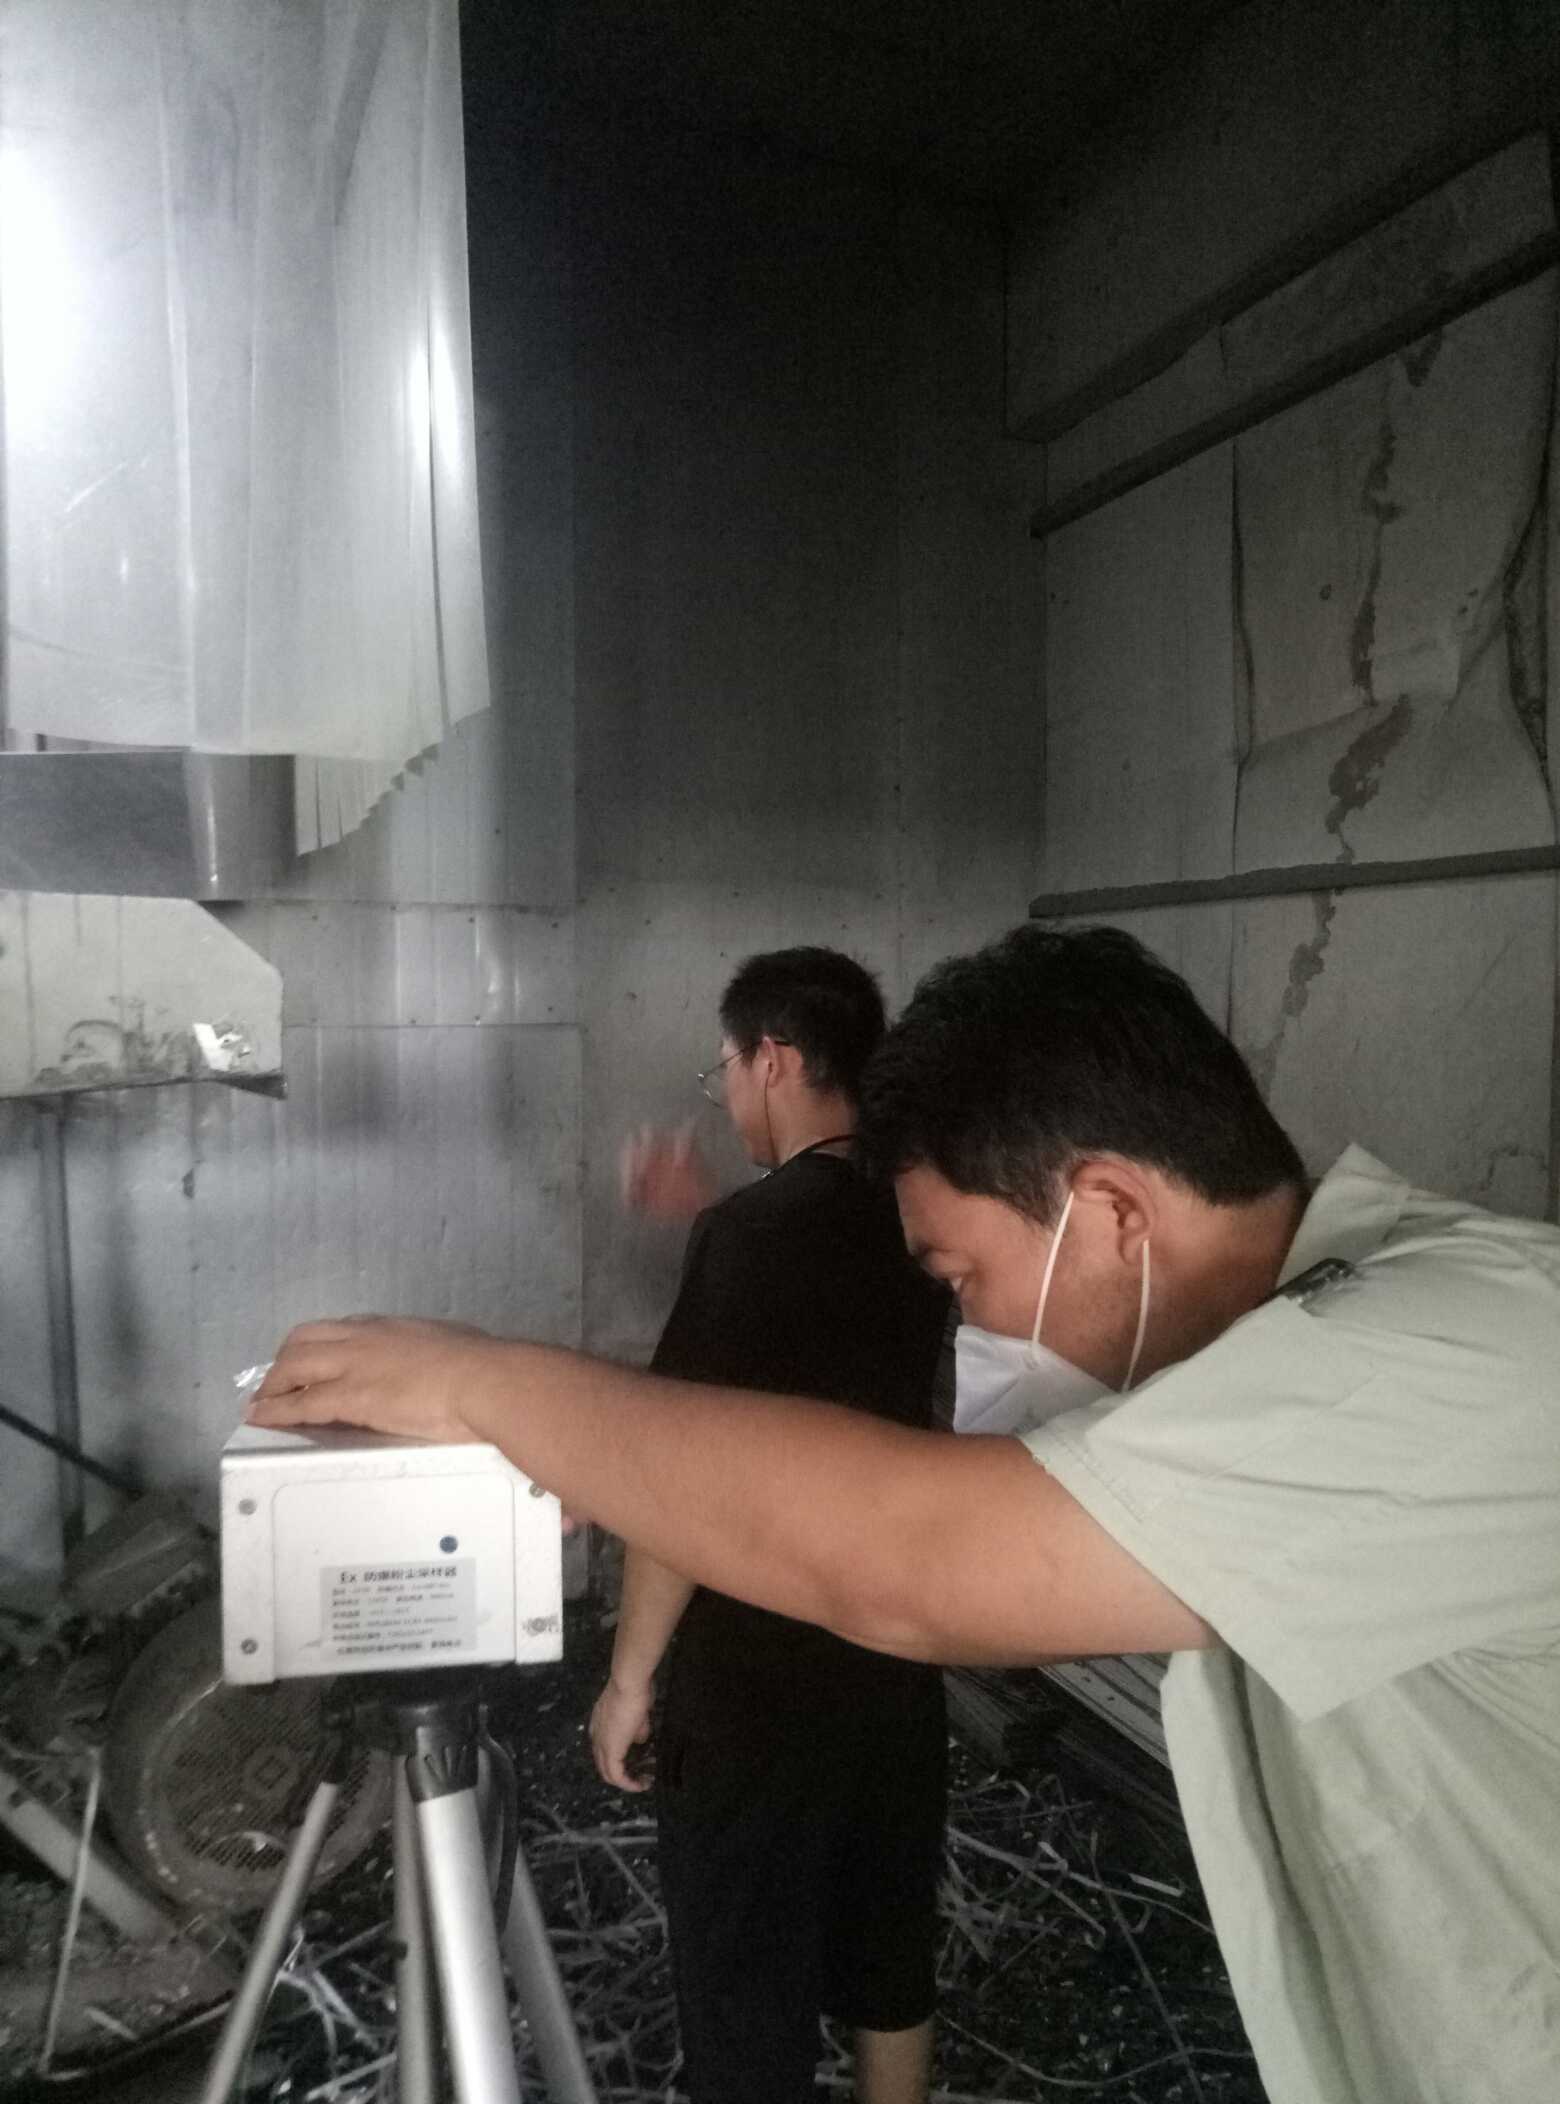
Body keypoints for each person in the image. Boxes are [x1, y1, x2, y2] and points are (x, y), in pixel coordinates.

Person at [251, 924, 1560, 2104]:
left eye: (960, 1272)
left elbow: (914, 1560)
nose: (970, 1318)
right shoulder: (1339, 1334)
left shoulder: (1438, 1357)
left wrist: (485, 1383)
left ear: (1111, 1209)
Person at [587, 947, 951, 2104]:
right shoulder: (926, 1215)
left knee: (746, 1984)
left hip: (758, 1674)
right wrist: (718, 1215)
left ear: (776, 1058)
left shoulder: (749, 1233)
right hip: (895, 1641)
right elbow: (833, 1310)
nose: (729, 1095)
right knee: (888, 1944)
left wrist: (630, 1678)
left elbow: (679, 1480)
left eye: (728, 1070)